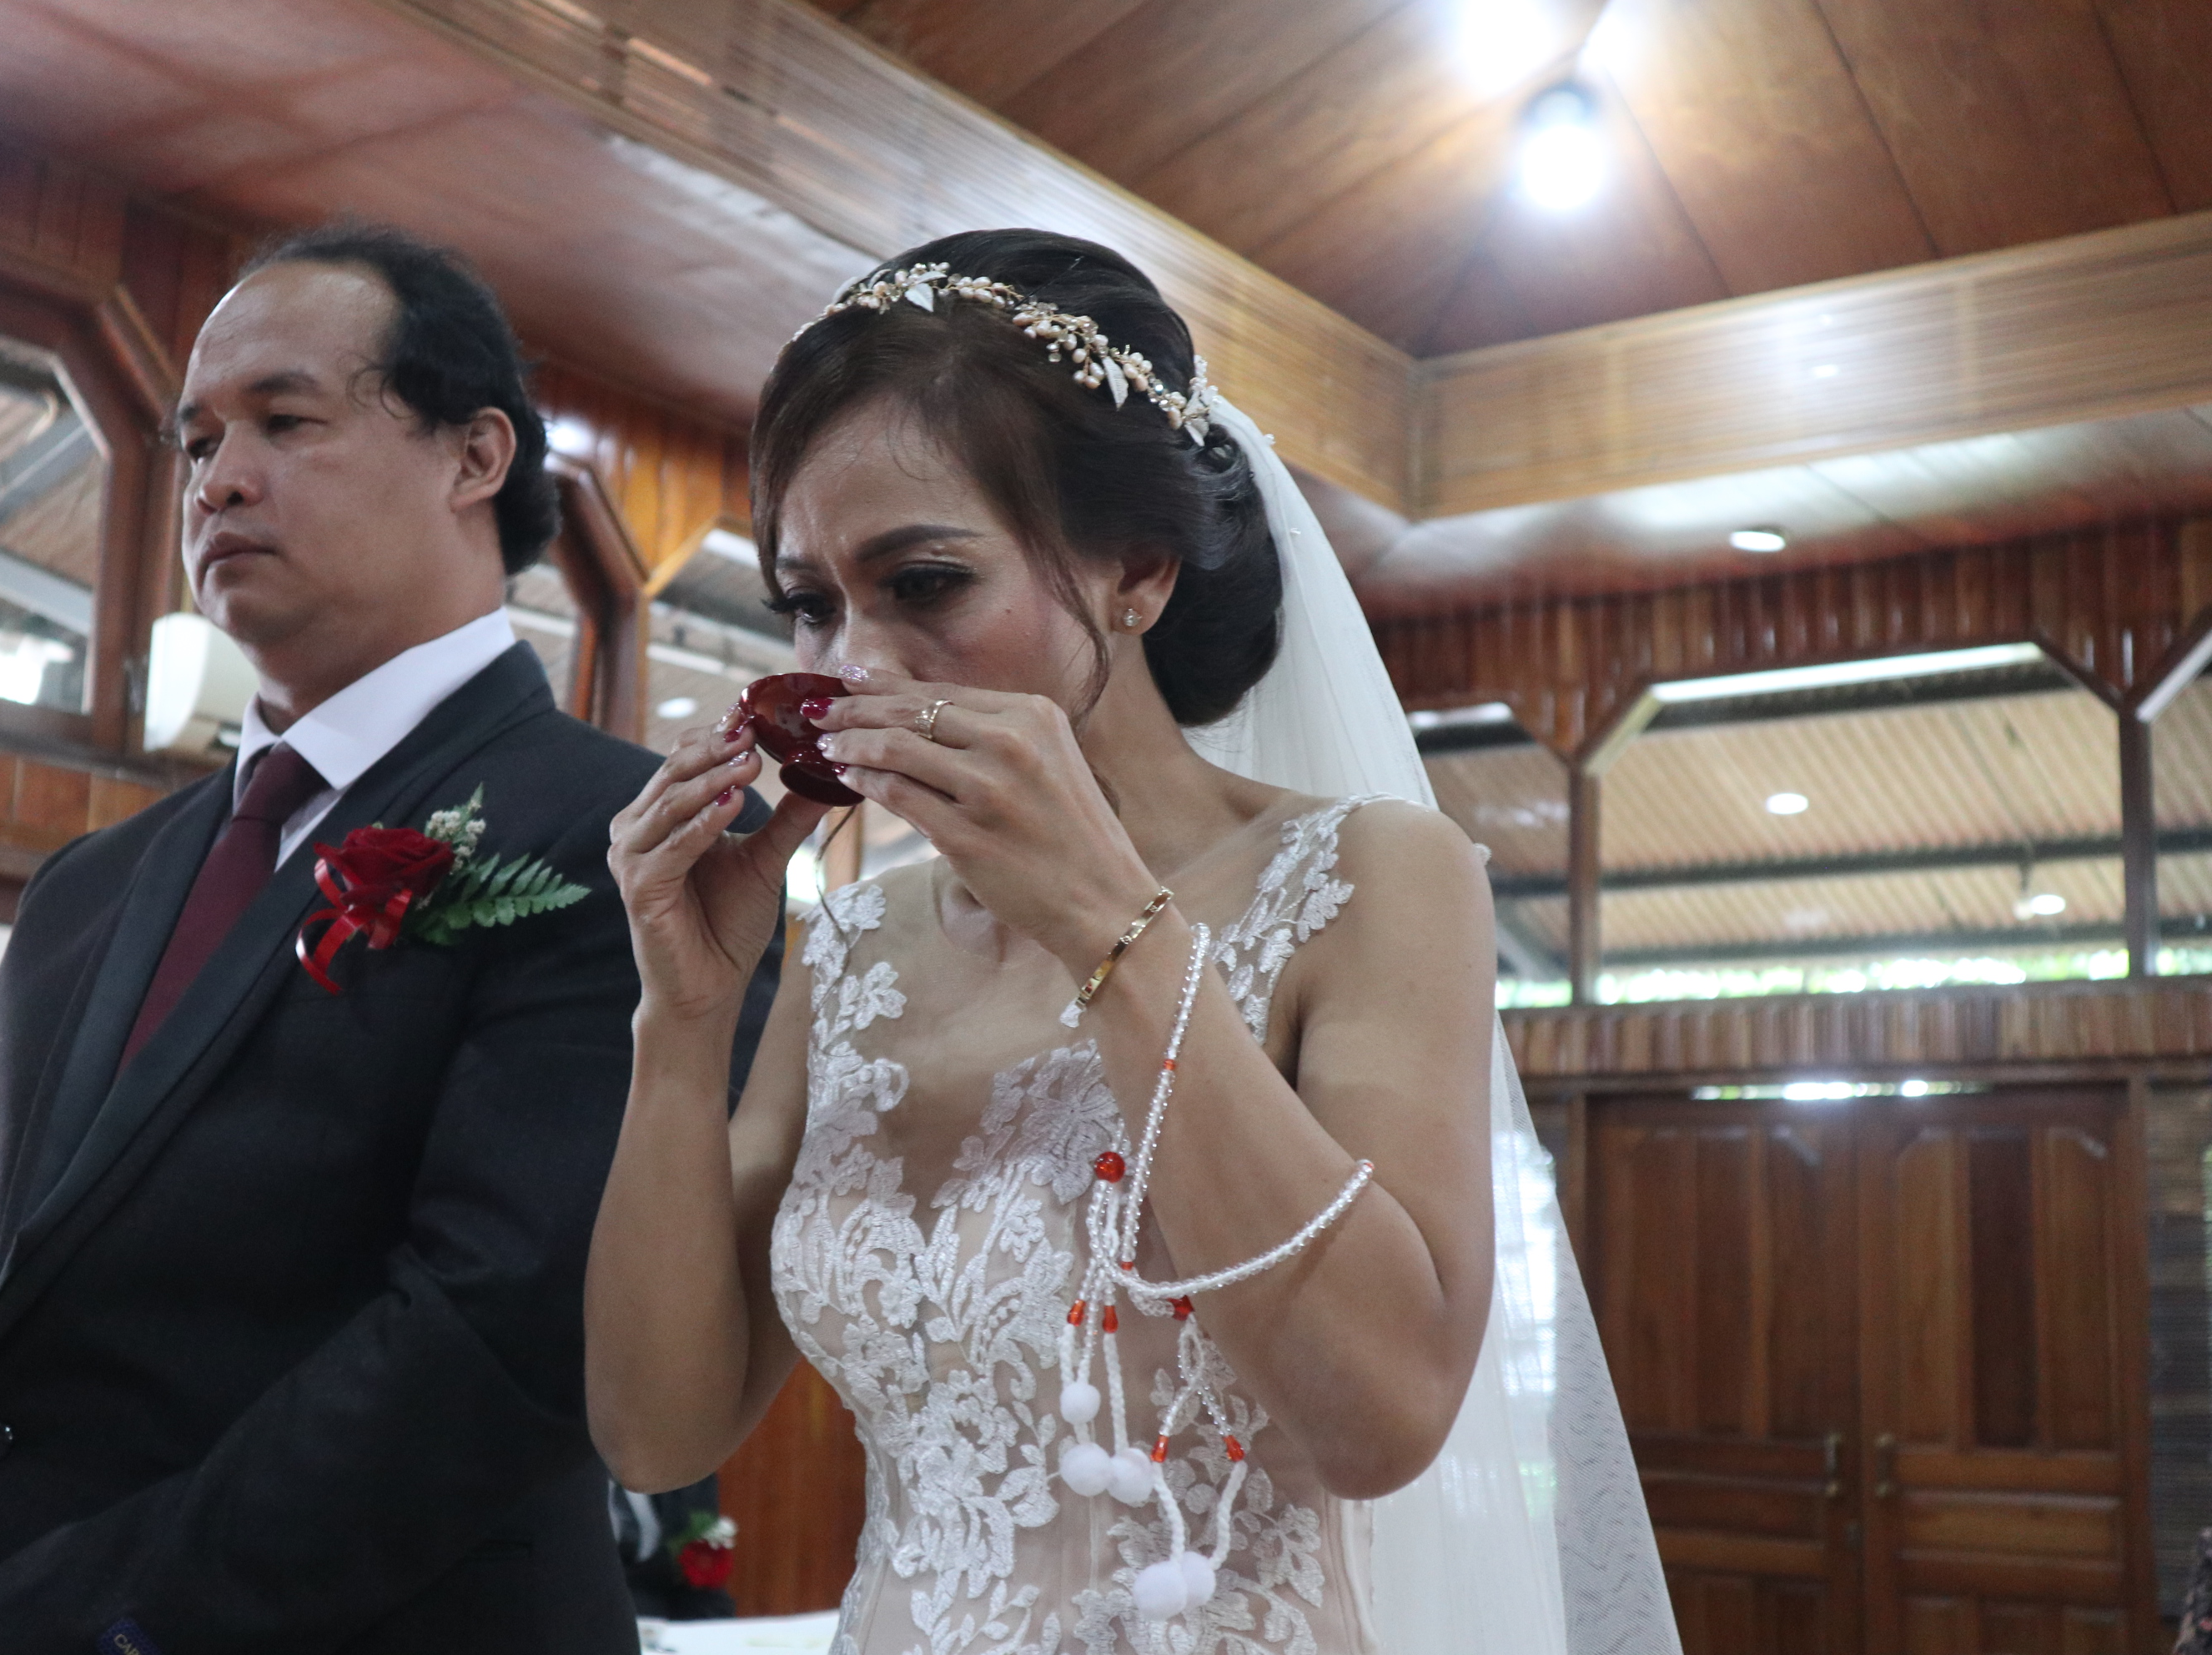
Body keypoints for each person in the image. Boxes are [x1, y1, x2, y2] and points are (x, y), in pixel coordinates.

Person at [592, 229, 1676, 1654]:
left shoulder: (1366, 879)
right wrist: (679, 1023)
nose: (850, 665)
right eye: (811, 603)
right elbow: (660, 1432)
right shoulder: (853, 944)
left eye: (921, 584)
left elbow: (1386, 1418)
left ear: (1139, 573)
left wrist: (1114, 930)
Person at [0, 224, 774, 1655]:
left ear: (475, 457)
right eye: (198, 436)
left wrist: (23, 1635)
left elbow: (491, 1344)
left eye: (286, 420)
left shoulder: (632, 843)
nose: (216, 479)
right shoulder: (97, 883)